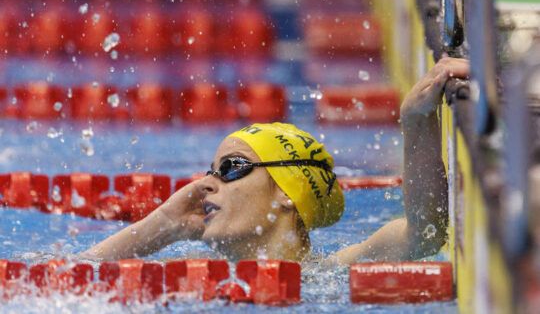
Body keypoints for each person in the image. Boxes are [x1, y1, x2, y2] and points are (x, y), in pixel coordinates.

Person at [82, 57, 470, 264]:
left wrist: (415, 120)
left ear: (289, 192)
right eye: (210, 172)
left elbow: (427, 234)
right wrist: (163, 225)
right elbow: (71, 273)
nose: (205, 185)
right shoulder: (182, 273)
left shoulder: (335, 273)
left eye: (232, 168)